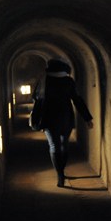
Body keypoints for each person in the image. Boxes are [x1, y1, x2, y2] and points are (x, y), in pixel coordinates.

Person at [35, 58, 93, 187]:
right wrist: (87, 118)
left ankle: (60, 175)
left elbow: (36, 98)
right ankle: (62, 171)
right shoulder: (68, 81)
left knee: (54, 146)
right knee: (64, 145)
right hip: (65, 117)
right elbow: (77, 100)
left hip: (48, 118)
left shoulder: (44, 80)